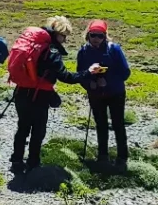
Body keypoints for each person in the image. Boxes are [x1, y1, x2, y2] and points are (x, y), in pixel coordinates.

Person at [8, 16, 101, 173]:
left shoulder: (35, 45)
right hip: (39, 96)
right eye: (64, 36)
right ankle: (33, 163)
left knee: (22, 127)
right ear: (58, 33)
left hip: (21, 92)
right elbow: (66, 77)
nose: (64, 40)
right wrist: (88, 73)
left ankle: (16, 160)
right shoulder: (51, 51)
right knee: (38, 131)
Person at [76, 20, 131, 170]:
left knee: (118, 124)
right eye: (93, 35)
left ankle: (122, 157)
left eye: (100, 36)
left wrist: (108, 81)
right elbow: (80, 74)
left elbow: (125, 72)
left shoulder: (114, 49)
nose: (96, 39)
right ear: (88, 35)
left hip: (115, 93)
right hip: (96, 94)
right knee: (101, 124)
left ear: (105, 36)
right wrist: (89, 84)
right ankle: (103, 156)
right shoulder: (83, 51)